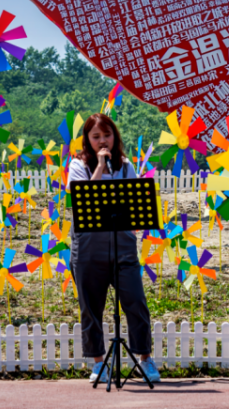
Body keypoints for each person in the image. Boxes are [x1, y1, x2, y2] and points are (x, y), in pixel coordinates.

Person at [67, 113, 161, 384]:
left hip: (122, 246)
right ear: (87, 140)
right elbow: (81, 198)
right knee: (90, 307)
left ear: (115, 136)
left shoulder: (125, 166)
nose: (102, 141)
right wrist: (99, 166)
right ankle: (98, 364)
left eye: (106, 135)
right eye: (95, 137)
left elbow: (135, 203)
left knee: (135, 302)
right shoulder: (78, 166)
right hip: (88, 248)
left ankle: (145, 358)